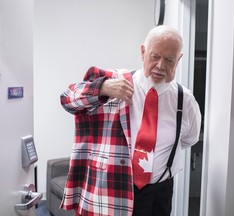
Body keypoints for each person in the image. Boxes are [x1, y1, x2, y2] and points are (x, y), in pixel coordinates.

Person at [60, 25, 201, 216]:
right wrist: (102, 89)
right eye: (155, 56)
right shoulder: (114, 81)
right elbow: (67, 100)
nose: (160, 66)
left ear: (179, 60)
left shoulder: (185, 100)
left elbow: (189, 139)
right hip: (112, 188)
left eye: (169, 60)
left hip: (159, 192)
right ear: (143, 52)